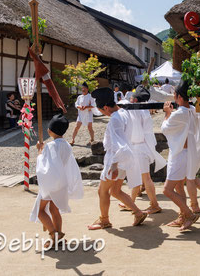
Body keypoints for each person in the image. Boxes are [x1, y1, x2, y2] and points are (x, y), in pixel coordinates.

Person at [87, 87, 147, 230]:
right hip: (123, 159)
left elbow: (118, 144)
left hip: (116, 159)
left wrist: (113, 165)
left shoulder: (115, 119)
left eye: (101, 110)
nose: (102, 113)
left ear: (106, 107)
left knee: (102, 190)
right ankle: (138, 212)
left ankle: (104, 220)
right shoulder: (124, 113)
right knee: (115, 191)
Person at [30, 114, 83, 248]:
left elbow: (46, 164)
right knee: (54, 209)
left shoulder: (51, 146)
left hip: (51, 182)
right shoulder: (67, 145)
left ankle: (54, 234)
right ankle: (57, 237)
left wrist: (40, 151)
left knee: (40, 211)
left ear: (50, 131)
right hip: (62, 182)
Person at [117, 85, 167, 214]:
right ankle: (130, 202)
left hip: (138, 147)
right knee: (136, 177)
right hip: (141, 146)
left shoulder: (130, 108)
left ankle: (154, 204)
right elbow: (148, 133)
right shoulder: (143, 111)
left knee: (145, 177)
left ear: (134, 99)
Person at [161, 80, 199, 231]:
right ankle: (182, 216)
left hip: (179, 154)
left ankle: (189, 214)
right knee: (178, 187)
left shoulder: (180, 113)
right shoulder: (192, 109)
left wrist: (167, 113)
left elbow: (165, 128)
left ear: (178, 96)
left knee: (167, 190)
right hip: (186, 153)